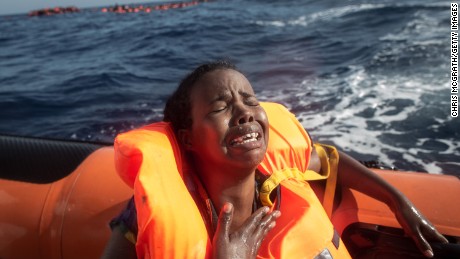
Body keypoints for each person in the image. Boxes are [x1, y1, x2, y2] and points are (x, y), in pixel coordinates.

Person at [102, 60, 448, 258]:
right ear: (187, 138)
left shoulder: (276, 172)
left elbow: (330, 158)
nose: (244, 114)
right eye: (221, 107)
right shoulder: (146, 215)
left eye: (250, 101)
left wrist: (399, 202)